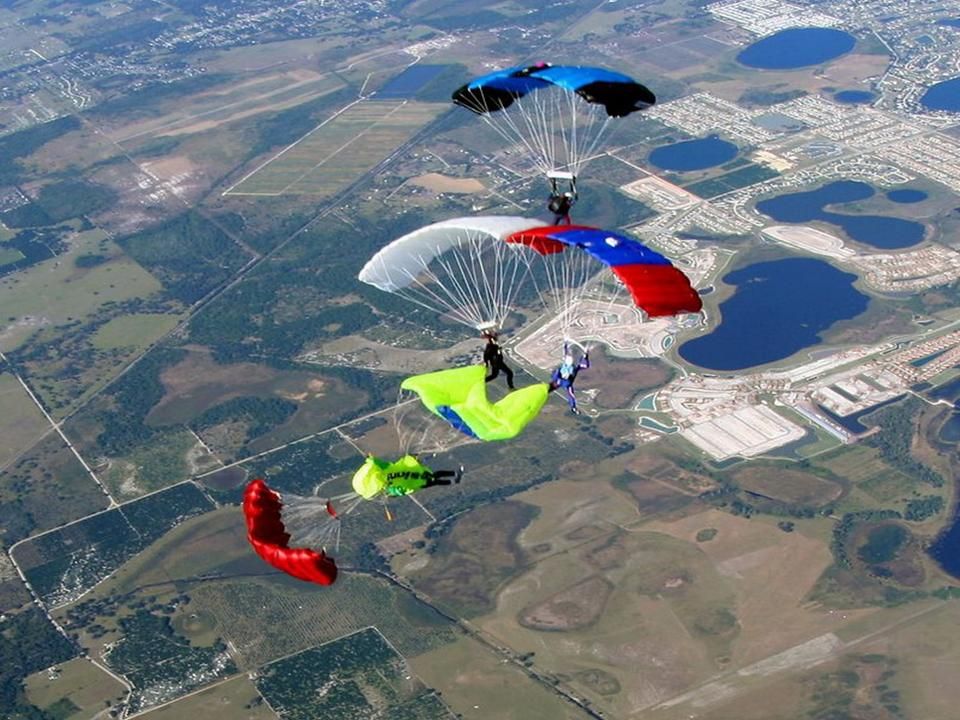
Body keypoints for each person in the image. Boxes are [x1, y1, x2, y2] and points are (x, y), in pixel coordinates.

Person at [548, 342, 590, 414]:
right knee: (582, 365)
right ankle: (581, 355)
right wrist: (574, 408)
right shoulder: (566, 384)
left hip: (568, 370)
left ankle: (568, 346)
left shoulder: (557, 378)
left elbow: (571, 396)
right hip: (570, 371)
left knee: (571, 361)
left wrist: (565, 345)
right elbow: (571, 397)